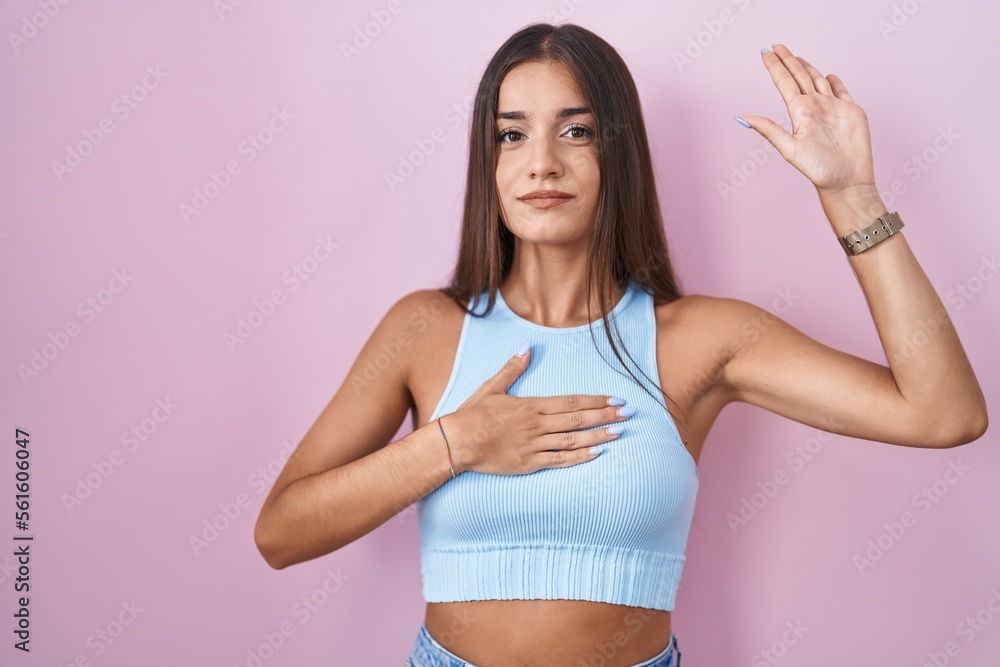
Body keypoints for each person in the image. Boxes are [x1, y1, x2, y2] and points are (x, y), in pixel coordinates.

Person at [253, 22, 988, 667]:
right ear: (491, 163)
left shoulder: (705, 339)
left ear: (618, 153)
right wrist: (454, 443)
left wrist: (851, 196)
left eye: (575, 131)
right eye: (512, 134)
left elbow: (942, 413)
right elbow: (280, 532)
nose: (541, 162)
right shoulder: (422, 329)